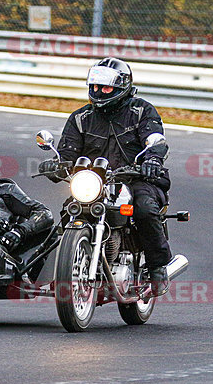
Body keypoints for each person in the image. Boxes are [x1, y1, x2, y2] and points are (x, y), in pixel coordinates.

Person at [38, 57, 173, 296]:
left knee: (144, 209)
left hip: (136, 178)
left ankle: (157, 267)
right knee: (68, 210)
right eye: (96, 87)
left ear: (122, 87)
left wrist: (152, 160)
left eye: (106, 87)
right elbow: (67, 153)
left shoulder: (142, 111)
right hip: (93, 182)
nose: (100, 92)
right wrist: (55, 165)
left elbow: (155, 140)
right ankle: (62, 268)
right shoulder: (80, 118)